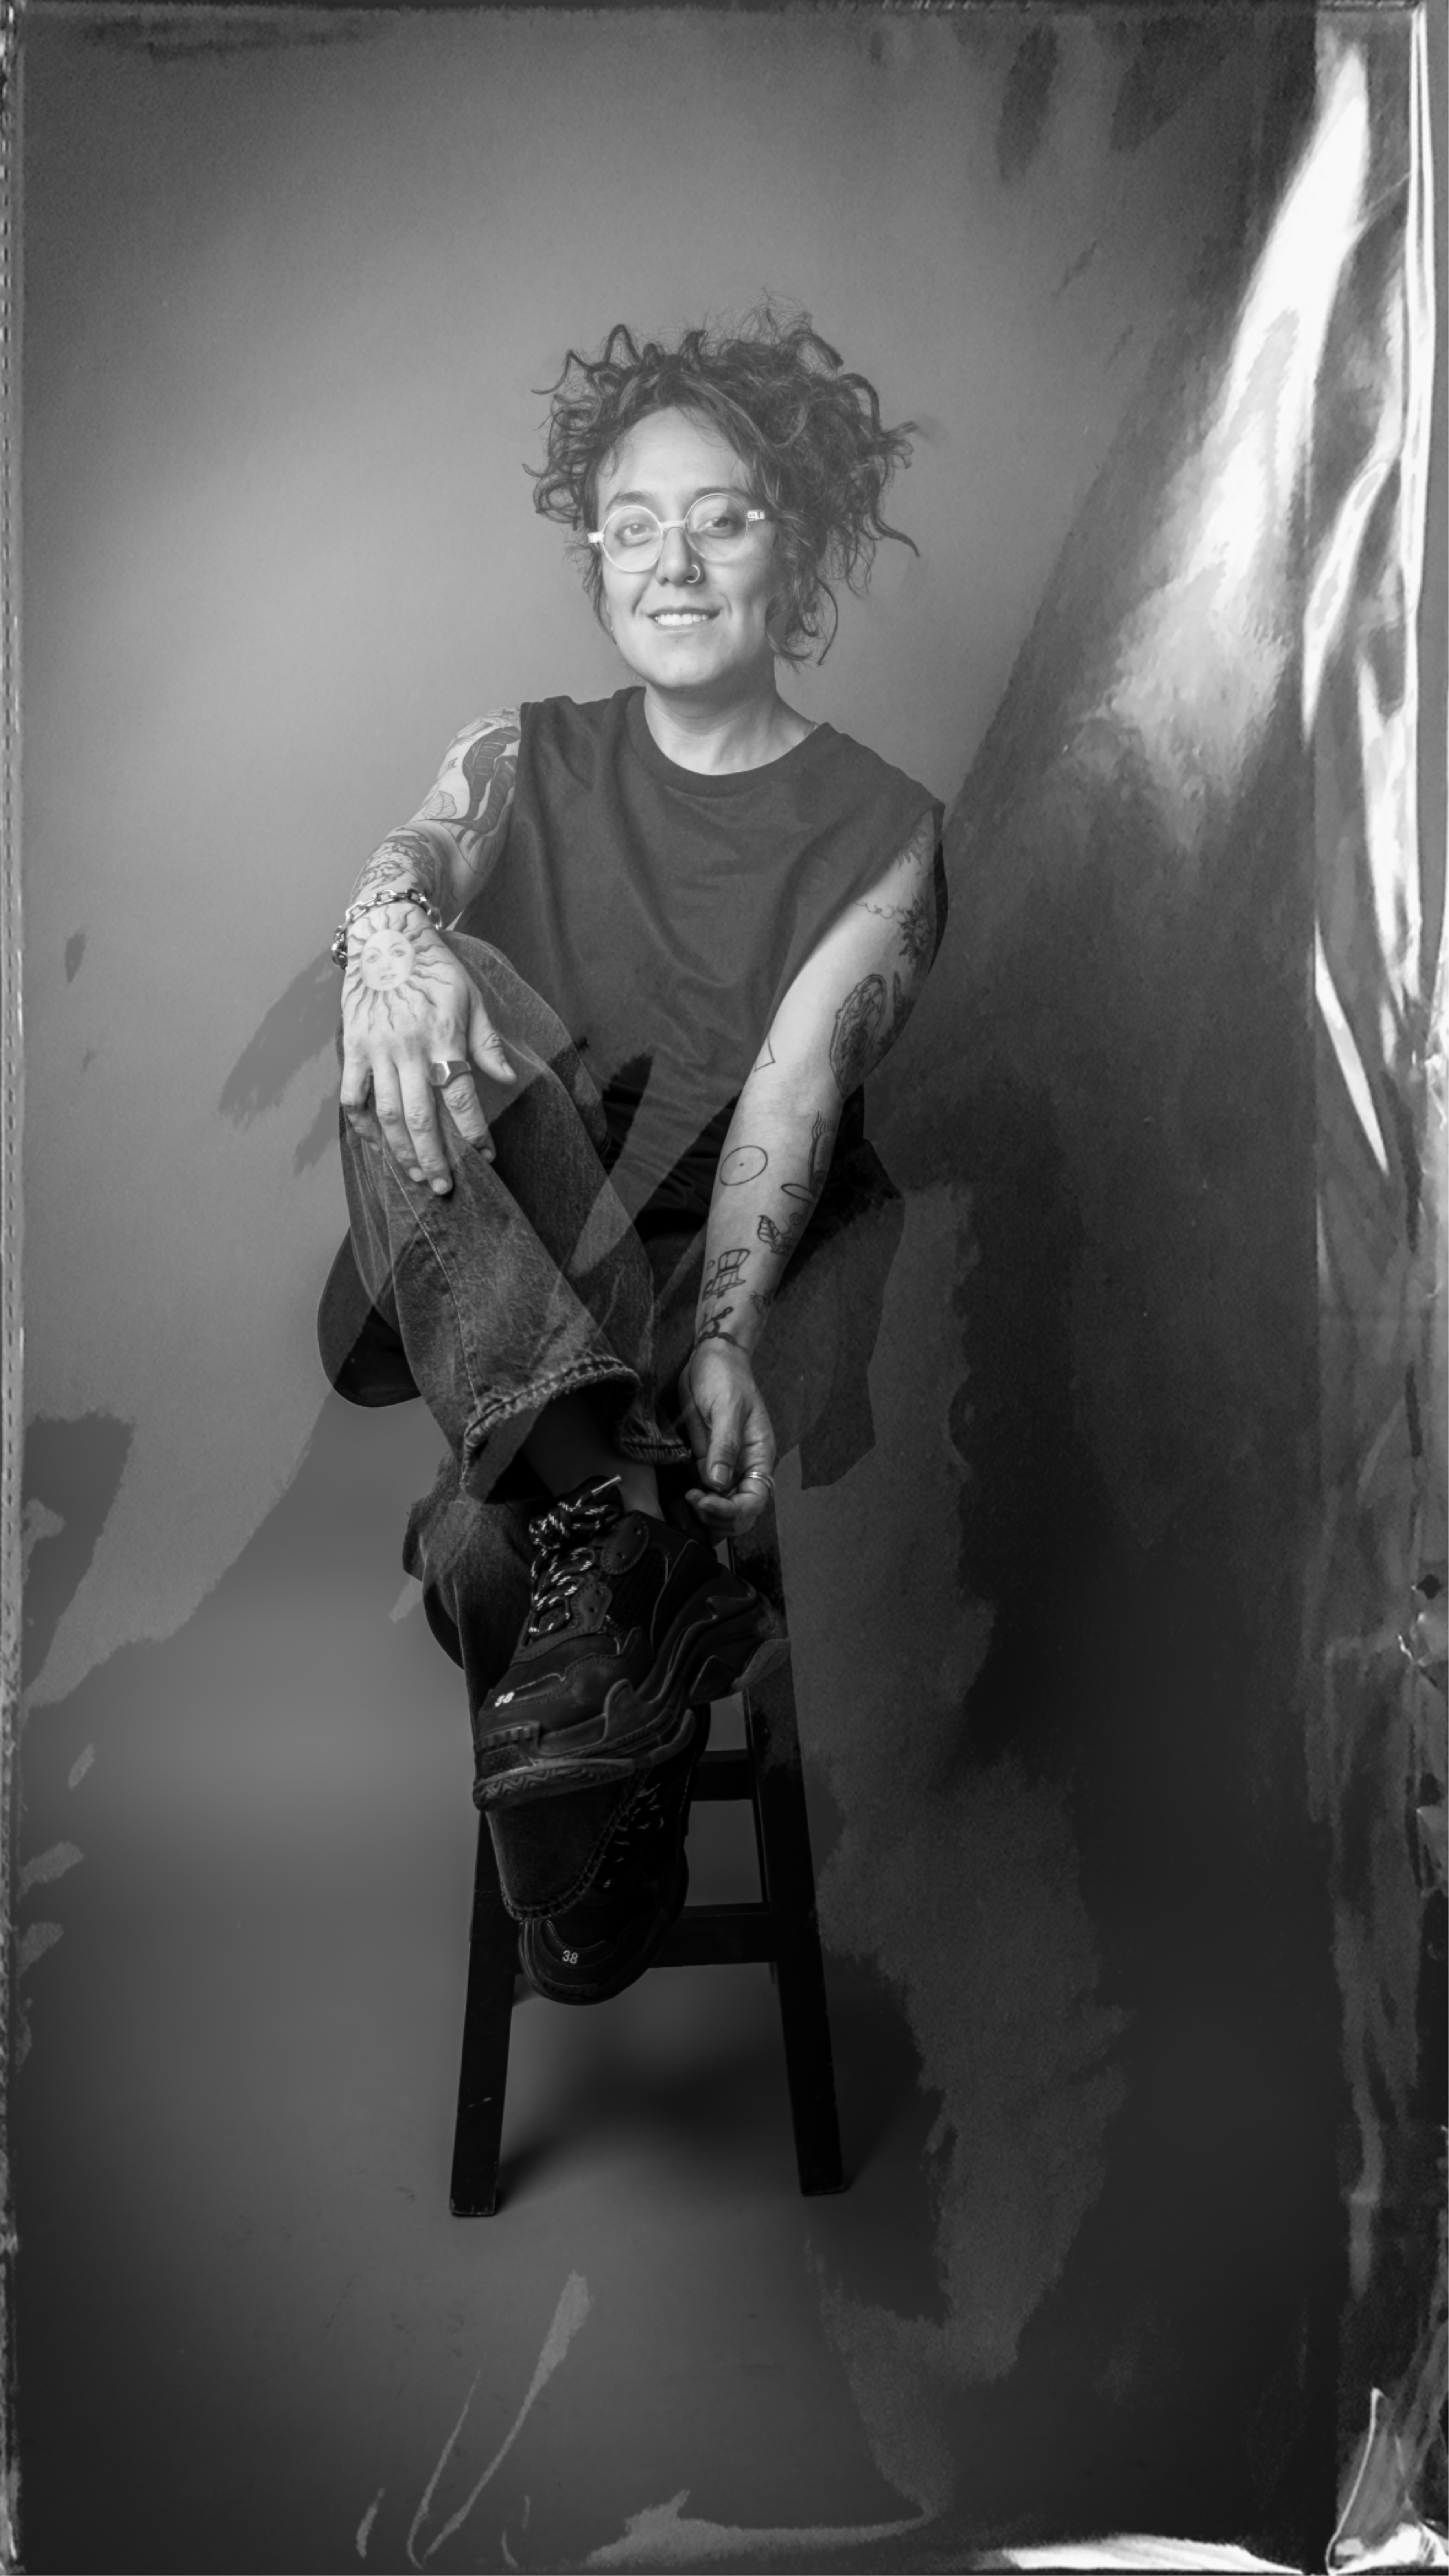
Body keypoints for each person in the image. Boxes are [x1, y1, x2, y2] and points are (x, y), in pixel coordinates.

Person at [319, 310, 945, 2007]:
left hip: (737, 1261)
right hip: (512, 1243)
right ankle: (614, 1540)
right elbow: (410, 863)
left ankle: (602, 1668)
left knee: (483, 1549)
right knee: (409, 969)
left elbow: (791, 1102)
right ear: (594, 555)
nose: (672, 563)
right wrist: (389, 938)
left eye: (721, 519)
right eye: (633, 526)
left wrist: (728, 1334)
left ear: (793, 545)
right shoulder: (519, 752)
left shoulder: (883, 831)